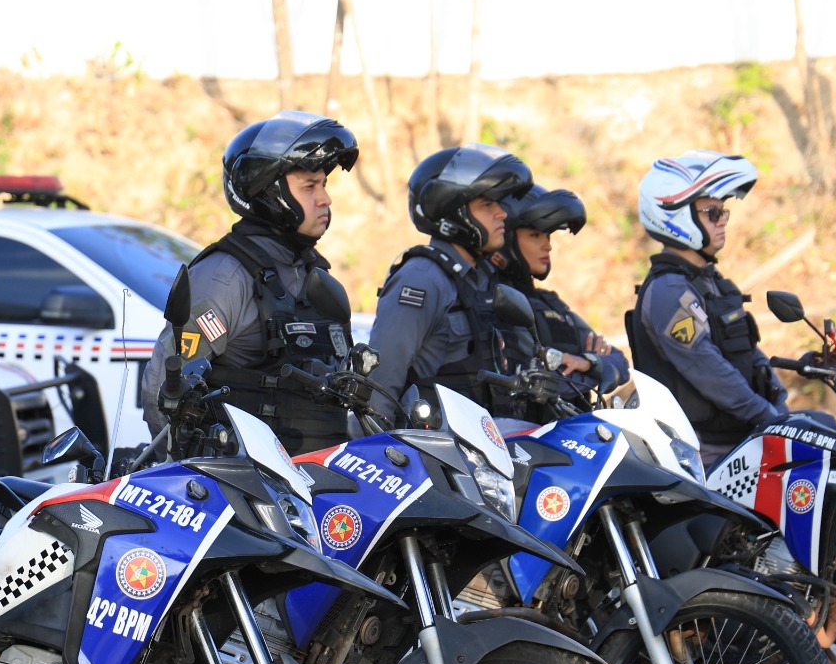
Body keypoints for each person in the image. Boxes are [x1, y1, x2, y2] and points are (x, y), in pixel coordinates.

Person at [140, 110, 359, 453]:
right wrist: (191, 474)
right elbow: (164, 391)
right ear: (270, 192)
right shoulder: (226, 277)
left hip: (322, 481)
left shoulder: (311, 272)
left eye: (325, 185)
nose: (325, 198)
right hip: (251, 493)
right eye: (309, 186)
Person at [627, 150, 787, 466]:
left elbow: (750, 353)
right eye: (712, 213)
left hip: (741, 439)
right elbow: (706, 367)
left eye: (723, 212)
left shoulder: (712, 283)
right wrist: (763, 414)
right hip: (705, 457)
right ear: (676, 215)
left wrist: (780, 405)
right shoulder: (669, 291)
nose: (723, 220)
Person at [365, 144, 534, 420]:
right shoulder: (422, 279)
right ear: (453, 213)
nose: (502, 213)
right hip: (430, 455)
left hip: (481, 450)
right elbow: (380, 388)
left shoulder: (480, 280)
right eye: (487, 205)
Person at [491, 184, 629, 402]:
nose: (548, 246)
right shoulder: (497, 301)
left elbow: (620, 362)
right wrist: (594, 370)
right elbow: (539, 382)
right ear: (505, 237)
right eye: (535, 235)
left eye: (548, 235)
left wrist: (588, 362)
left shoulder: (551, 303)